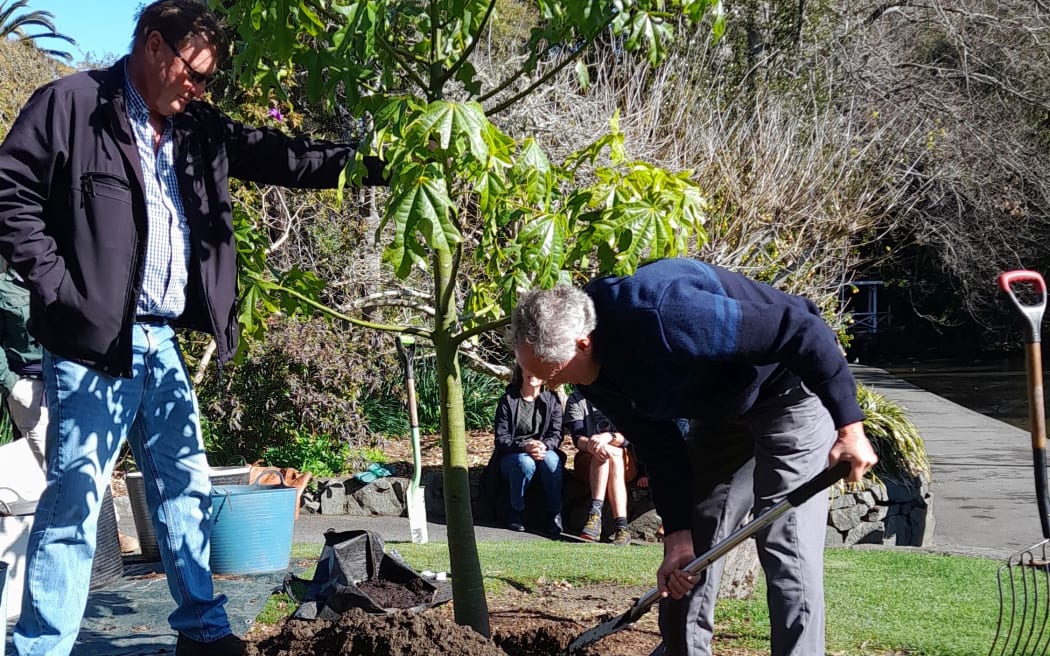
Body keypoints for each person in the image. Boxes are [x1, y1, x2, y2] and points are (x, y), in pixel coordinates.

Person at [0, 2, 386, 655]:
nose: (201, 90)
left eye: (209, 80)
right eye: (196, 75)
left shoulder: (198, 127)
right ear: (155, 48)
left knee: (183, 487)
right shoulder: (71, 105)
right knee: (73, 503)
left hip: (160, 342)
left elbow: (283, 158)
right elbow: (10, 193)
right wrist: (60, 289)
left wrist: (380, 164)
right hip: (91, 345)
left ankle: (203, 633)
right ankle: (40, 648)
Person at [510, 258, 878, 656]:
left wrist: (850, 427)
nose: (545, 383)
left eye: (550, 372)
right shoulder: (588, 372)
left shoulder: (664, 314)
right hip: (723, 410)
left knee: (785, 544)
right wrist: (677, 537)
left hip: (789, 392)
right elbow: (657, 443)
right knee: (690, 557)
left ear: (583, 343)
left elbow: (800, 328)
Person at [491, 365, 565, 535]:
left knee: (552, 460)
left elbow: (557, 434)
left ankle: (554, 514)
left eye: (539, 370)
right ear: (522, 371)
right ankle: (515, 511)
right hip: (512, 454)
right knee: (525, 462)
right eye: (529, 369)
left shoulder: (551, 400)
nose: (533, 373)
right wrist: (524, 446)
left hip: (543, 450)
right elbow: (501, 438)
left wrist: (543, 446)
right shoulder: (508, 400)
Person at [563, 389, 635, 545]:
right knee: (604, 453)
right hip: (588, 457)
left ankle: (594, 516)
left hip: (624, 461)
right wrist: (593, 444)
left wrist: (608, 437)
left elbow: (629, 437)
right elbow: (578, 439)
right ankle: (621, 527)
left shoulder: (620, 395)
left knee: (612, 453)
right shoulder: (577, 399)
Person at [0, 265, 47, 466]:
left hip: (68, 384)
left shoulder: (58, 279)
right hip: (29, 387)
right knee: (52, 468)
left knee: (83, 464)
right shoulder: (3, 288)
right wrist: (12, 385)